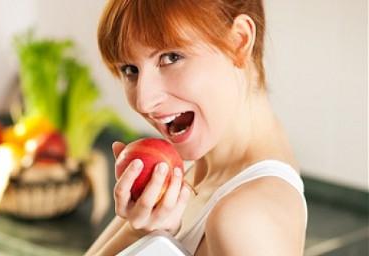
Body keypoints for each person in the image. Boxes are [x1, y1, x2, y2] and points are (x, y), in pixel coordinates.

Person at [85, 0, 308, 255]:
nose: (143, 101)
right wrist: (139, 231)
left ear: (239, 41)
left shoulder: (244, 219)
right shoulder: (200, 171)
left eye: (171, 57)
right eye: (130, 69)